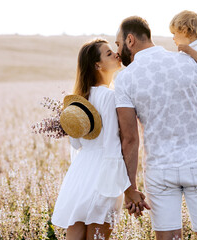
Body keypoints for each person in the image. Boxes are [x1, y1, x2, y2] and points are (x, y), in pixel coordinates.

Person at [114, 16, 197, 240]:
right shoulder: (188, 61)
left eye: (118, 44)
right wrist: (188, 112)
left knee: (169, 237)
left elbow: (130, 139)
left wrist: (131, 189)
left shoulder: (125, 79)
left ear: (130, 40)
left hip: (160, 169)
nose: (117, 52)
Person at [51, 39, 131, 240]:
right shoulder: (110, 96)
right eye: (109, 53)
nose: (116, 55)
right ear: (98, 65)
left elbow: (76, 144)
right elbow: (113, 144)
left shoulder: (80, 99)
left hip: (81, 172)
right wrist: (126, 185)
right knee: (98, 233)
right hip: (105, 172)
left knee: (76, 230)